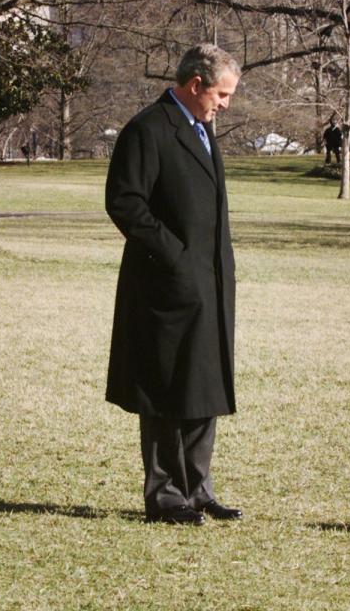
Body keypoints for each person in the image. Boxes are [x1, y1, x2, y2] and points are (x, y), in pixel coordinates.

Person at [105, 43, 241, 526]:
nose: (225, 104)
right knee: (164, 391)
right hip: (164, 287)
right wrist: (176, 258)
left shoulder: (201, 130)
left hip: (208, 285)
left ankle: (198, 490)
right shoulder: (148, 129)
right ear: (196, 84)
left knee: (203, 387)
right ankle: (165, 495)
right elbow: (125, 203)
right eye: (221, 95)